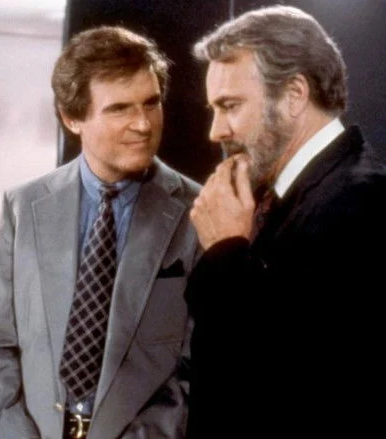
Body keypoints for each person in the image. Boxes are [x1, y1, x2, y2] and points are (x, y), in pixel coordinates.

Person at [0, 26, 201, 439]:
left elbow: (196, 368)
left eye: (151, 103)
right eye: (120, 109)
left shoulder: (199, 212)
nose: (143, 124)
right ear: (71, 117)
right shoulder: (22, 207)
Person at [185, 5, 386, 438]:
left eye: (230, 106)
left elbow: (289, 386)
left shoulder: (363, 202)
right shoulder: (287, 197)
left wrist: (225, 253)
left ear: (294, 94)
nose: (215, 131)